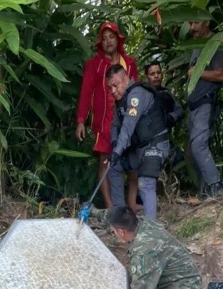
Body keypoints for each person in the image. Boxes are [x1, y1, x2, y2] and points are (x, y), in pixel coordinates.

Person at [76, 22, 138, 209]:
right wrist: (80, 121)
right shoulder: (94, 65)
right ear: (100, 43)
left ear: (118, 39)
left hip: (128, 118)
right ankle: (111, 206)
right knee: (105, 162)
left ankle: (132, 202)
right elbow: (86, 93)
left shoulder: (129, 63)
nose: (108, 41)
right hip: (105, 122)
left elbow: (137, 89)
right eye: (104, 38)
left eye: (111, 37)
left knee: (133, 160)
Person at [106, 65, 170, 219]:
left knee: (146, 183)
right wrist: (115, 144)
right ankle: (122, 219)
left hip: (155, 145)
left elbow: (128, 126)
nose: (113, 91)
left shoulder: (136, 94)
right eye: (110, 87)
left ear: (126, 79)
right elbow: (115, 125)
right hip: (139, 150)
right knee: (113, 167)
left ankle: (151, 229)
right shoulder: (121, 100)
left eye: (116, 85)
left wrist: (117, 151)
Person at [187, 20, 223, 198]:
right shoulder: (197, 45)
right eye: (190, 23)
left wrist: (196, 72)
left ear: (207, 22)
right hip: (194, 105)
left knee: (198, 145)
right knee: (194, 147)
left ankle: (216, 186)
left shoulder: (214, 43)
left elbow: (220, 74)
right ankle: (205, 191)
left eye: (195, 23)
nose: (192, 27)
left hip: (205, 102)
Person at [144, 61, 184, 132]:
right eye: (152, 74)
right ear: (147, 77)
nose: (156, 76)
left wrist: (170, 118)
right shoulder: (141, 94)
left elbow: (179, 110)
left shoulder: (166, 93)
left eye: (158, 73)